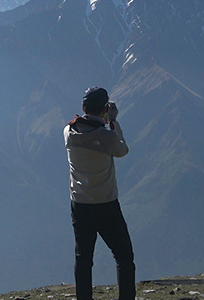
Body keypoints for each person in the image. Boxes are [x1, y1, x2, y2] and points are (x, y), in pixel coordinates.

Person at [64, 86, 135, 300]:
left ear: (83, 107)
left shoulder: (69, 132)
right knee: (123, 257)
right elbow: (122, 150)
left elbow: (86, 128)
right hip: (106, 204)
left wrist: (103, 119)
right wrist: (113, 121)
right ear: (105, 109)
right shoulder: (108, 136)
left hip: (80, 203)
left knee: (83, 257)